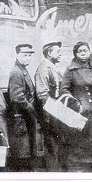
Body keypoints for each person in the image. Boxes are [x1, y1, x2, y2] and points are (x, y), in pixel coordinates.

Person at [60, 41, 92, 172]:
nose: (83, 53)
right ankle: (83, 170)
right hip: (81, 110)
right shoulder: (71, 70)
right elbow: (64, 90)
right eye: (79, 51)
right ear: (75, 54)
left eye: (85, 50)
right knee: (83, 141)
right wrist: (77, 104)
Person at [34, 41, 66, 172]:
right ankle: (53, 174)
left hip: (56, 112)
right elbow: (42, 95)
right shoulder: (44, 69)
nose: (60, 54)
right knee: (52, 145)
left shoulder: (52, 67)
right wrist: (53, 113)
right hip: (50, 113)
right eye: (57, 51)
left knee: (57, 144)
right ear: (49, 53)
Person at [8, 43, 39, 171]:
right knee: (22, 152)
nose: (28, 58)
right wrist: (31, 108)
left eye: (29, 56)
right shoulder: (16, 72)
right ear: (17, 55)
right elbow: (17, 96)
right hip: (21, 117)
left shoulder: (22, 70)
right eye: (25, 55)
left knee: (26, 149)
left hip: (25, 116)